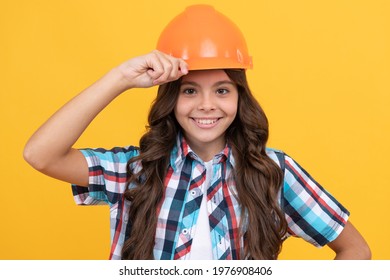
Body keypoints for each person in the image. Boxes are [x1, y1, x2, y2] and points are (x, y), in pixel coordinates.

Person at [23, 5, 371, 260]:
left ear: (239, 97)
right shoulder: (135, 170)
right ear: (172, 99)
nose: (207, 104)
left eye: (222, 90)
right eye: (190, 90)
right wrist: (120, 79)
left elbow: (355, 249)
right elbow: (40, 155)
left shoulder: (273, 171)